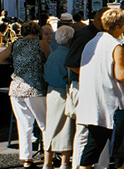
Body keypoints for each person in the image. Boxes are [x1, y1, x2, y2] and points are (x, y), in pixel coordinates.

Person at [77, 8, 124, 169]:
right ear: (117, 27)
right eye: (123, 25)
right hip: (111, 105)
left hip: (91, 101)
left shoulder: (91, 43)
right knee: (120, 152)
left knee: (92, 147)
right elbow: (121, 75)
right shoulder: (115, 46)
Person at [0, 21, 54, 169]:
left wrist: (15, 62)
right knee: (45, 125)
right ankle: (48, 158)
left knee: (24, 125)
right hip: (35, 88)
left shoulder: (16, 44)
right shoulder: (41, 44)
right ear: (38, 32)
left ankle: (27, 159)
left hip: (16, 88)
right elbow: (50, 61)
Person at [64, 7, 110, 169]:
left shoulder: (98, 35)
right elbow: (71, 63)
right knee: (85, 130)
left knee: (97, 130)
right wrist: (91, 75)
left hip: (90, 86)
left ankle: (95, 165)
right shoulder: (85, 35)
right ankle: (80, 165)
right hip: (84, 86)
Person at [43, 25, 75, 169]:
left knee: (50, 127)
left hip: (51, 92)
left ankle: (47, 162)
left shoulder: (53, 54)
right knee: (66, 128)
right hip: (64, 92)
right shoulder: (69, 55)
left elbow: (45, 73)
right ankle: (64, 162)